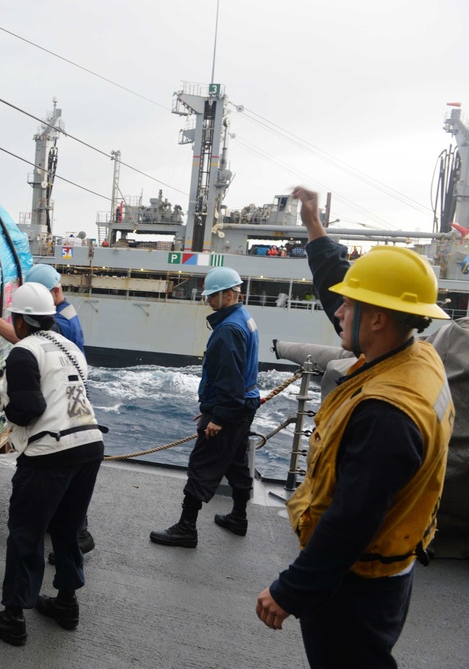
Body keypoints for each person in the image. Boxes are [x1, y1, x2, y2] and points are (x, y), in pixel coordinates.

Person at [256, 187, 454, 668]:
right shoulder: (416, 354)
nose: (338, 312)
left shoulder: (388, 412)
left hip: (355, 583)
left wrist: (292, 589)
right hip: (390, 566)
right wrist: (314, 229)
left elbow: (352, 519)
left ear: (380, 319)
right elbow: (342, 293)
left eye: (351, 307)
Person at [0, 282, 105, 646]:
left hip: (51, 454)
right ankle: (66, 603)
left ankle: (13, 617)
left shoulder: (22, 351)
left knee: (25, 534)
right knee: (66, 529)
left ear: (18, 320)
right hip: (90, 445)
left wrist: (1, 404)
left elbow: (29, 410)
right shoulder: (71, 349)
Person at [0, 263, 93, 561]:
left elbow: (27, 344)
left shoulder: (52, 329)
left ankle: (78, 535)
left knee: (37, 511)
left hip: (55, 419)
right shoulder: (67, 317)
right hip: (81, 416)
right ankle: (67, 588)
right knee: (70, 484)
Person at [149, 266, 260, 548]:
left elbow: (229, 378)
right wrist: (213, 405)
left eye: (212, 296)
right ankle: (238, 517)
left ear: (227, 294)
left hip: (230, 408)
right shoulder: (244, 319)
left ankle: (186, 528)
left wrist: (217, 416)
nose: (208, 301)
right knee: (236, 462)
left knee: (202, 465)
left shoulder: (228, 331)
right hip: (244, 404)